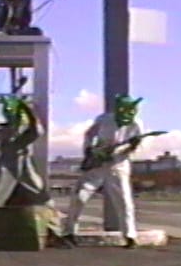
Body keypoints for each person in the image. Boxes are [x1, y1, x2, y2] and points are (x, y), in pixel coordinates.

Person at [0, 95, 71, 248]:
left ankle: (54, 233)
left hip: (24, 164)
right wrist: (22, 112)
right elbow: (16, 134)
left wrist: (26, 110)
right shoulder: (5, 129)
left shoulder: (25, 129)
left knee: (43, 199)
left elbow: (37, 130)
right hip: (8, 165)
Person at [62, 94, 145, 249]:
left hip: (118, 165)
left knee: (124, 201)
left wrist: (129, 147)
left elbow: (136, 146)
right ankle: (69, 232)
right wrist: (90, 150)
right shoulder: (104, 119)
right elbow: (89, 134)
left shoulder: (136, 124)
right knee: (80, 196)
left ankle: (130, 236)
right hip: (97, 164)